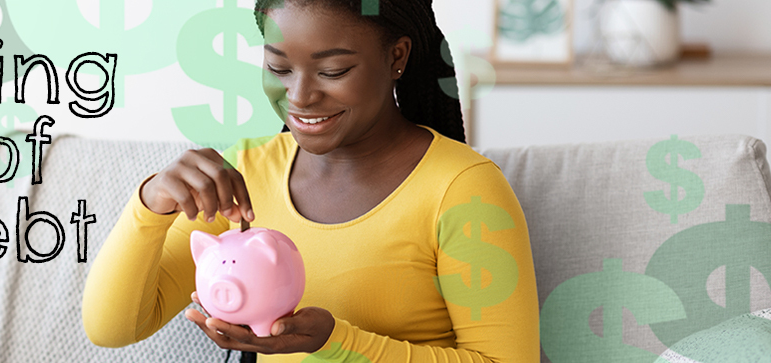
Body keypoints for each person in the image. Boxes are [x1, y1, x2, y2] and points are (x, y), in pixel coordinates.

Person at [82, 0, 540, 362]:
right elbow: (113, 329)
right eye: (279, 68)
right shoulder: (244, 173)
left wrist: (336, 343)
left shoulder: (462, 189)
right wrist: (150, 205)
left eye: (333, 71)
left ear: (397, 56)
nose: (299, 96)